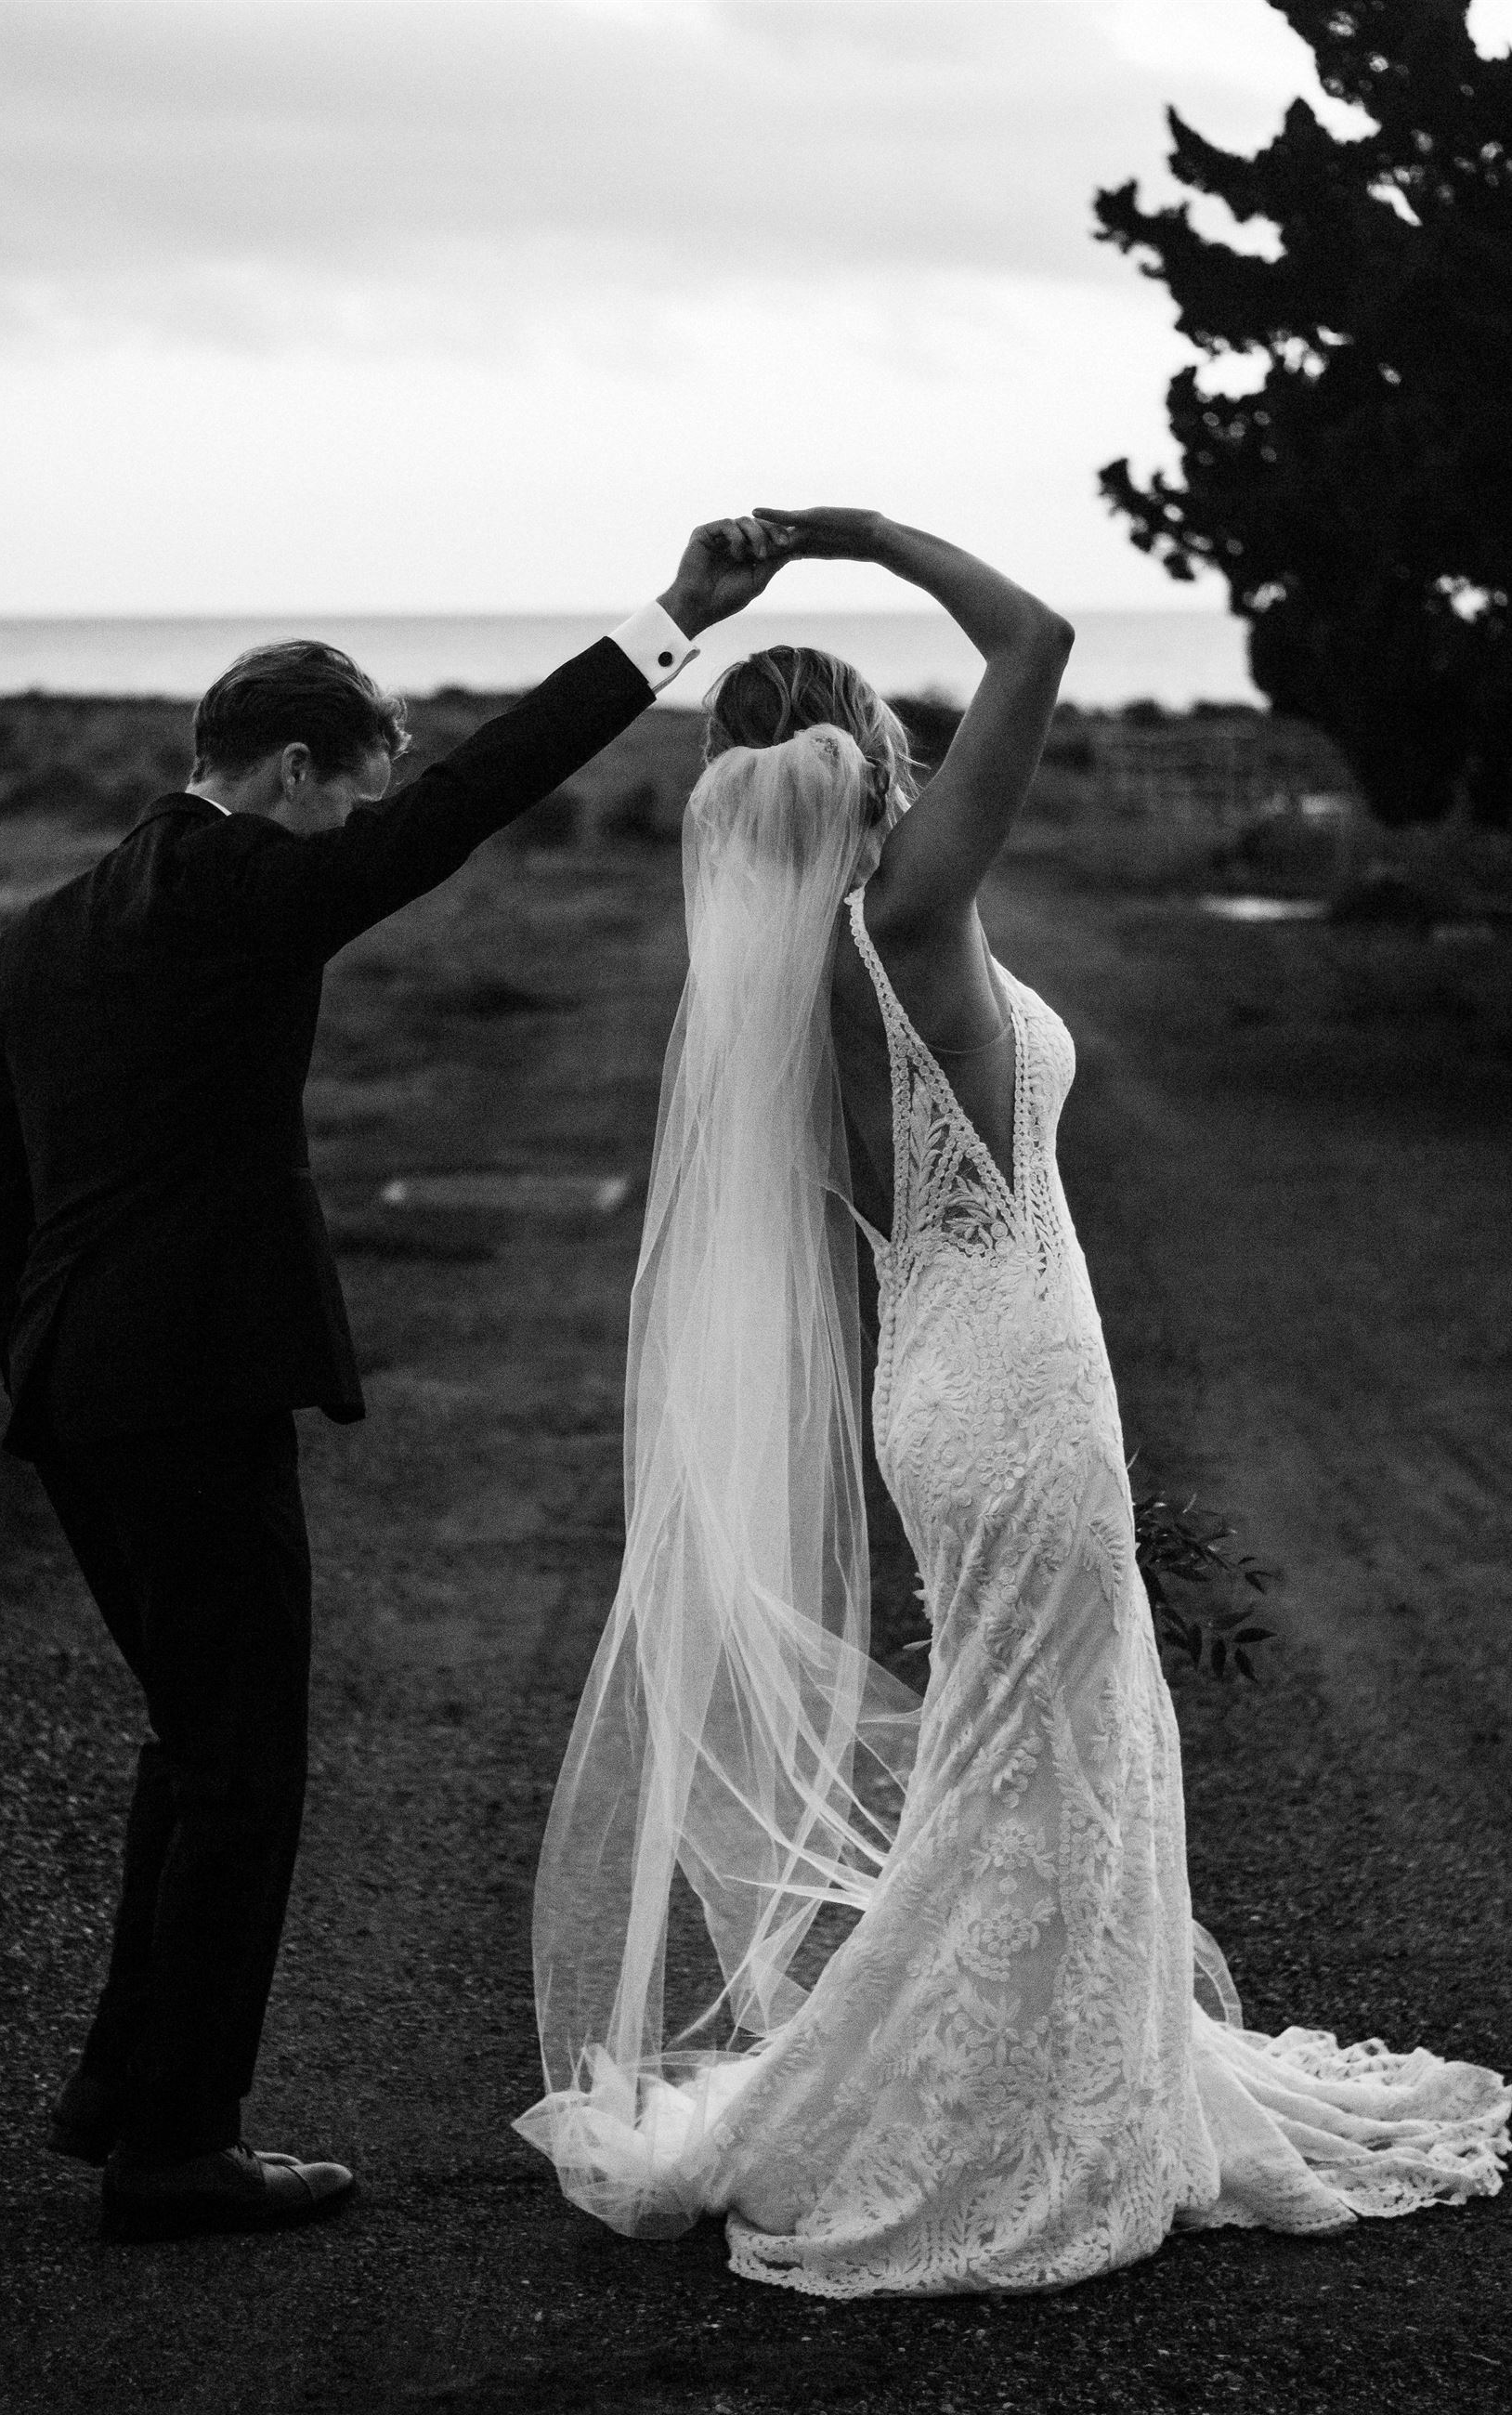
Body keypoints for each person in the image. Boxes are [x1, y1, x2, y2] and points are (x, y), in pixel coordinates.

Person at [515, 507, 1510, 2293]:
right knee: (1037, 1759)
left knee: (1031, 1749)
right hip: (1020, 1388)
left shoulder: (782, 979)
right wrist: (853, 533)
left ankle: (1028, 2077)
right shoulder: (905, 918)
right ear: (868, 760)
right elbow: (1037, 639)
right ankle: (992, 2115)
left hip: (941, 1386)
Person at [0, 513, 795, 2242]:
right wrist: (675, 621)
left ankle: (127, 2094)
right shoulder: (245, 890)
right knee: (244, 1763)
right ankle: (177, 2147)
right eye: (352, 796)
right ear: (291, 771)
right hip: (189, 1390)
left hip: (74, 1387)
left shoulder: (44, 926)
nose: (361, 828)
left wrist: (40, 1371)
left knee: (193, 1739)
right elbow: (470, 799)